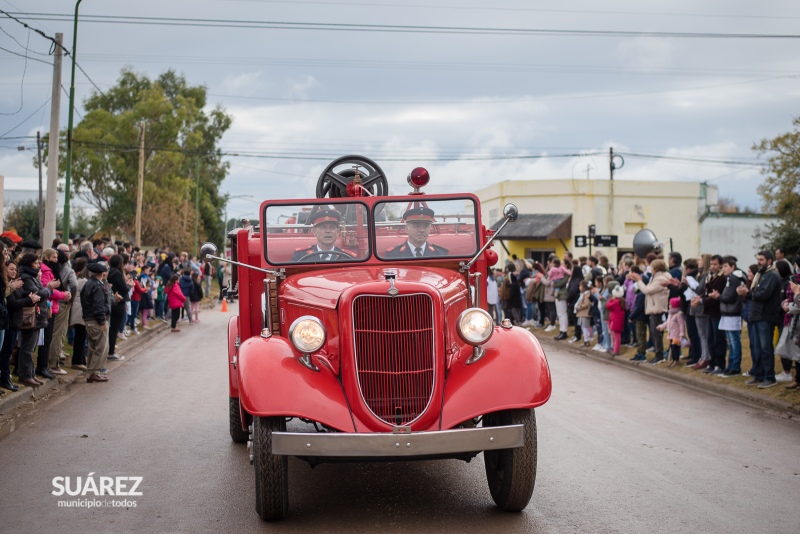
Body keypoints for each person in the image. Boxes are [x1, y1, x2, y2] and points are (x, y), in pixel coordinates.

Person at [737, 250, 782, 388]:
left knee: (765, 348)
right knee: (756, 347)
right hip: (756, 315)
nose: (758, 262)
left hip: (766, 316)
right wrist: (746, 293)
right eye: (758, 259)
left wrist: (748, 293)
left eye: (761, 260)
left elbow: (764, 294)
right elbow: (756, 294)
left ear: (769, 261)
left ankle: (769, 377)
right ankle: (758, 375)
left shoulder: (772, 275)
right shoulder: (761, 274)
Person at [8, 254, 51, 387]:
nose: (38, 265)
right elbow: (37, 294)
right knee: (27, 347)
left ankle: (30, 373)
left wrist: (44, 291)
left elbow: (40, 292)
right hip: (30, 317)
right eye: (36, 262)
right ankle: (25, 375)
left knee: (31, 347)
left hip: (38, 316)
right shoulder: (27, 277)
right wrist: (48, 290)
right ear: (29, 263)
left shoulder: (32, 276)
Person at [628, 259, 672, 364]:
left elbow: (647, 290)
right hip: (656, 307)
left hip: (657, 308)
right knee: (654, 332)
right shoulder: (658, 277)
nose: (650, 269)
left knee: (656, 332)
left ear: (656, 268)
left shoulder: (660, 278)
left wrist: (639, 281)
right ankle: (659, 353)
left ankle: (659, 354)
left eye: (651, 267)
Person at [715, 256, 746, 377]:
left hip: (733, 313)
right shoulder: (729, 278)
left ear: (733, 267)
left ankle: (735, 367)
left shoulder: (735, 278)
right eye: (722, 267)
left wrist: (718, 297)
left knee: (734, 341)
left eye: (726, 266)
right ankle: (730, 366)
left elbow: (730, 297)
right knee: (730, 342)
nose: (723, 269)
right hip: (727, 313)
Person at [82, 262, 110, 383]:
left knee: (92, 347)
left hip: (88, 319)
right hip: (96, 320)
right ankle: (94, 372)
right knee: (101, 347)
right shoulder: (98, 286)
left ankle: (90, 372)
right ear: (102, 273)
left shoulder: (88, 283)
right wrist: (102, 320)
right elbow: (98, 305)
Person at [106, 255, 129, 362]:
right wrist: (129, 285)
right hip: (118, 302)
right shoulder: (118, 273)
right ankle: (111, 352)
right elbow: (124, 289)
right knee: (114, 328)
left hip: (111, 301)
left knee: (111, 328)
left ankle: (109, 350)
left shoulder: (109, 272)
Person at [69, 258, 89, 371]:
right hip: (80, 312)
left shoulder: (80, 280)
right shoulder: (83, 281)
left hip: (79, 311)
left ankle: (81, 359)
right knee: (80, 337)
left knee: (81, 337)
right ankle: (77, 360)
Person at [606, 284, 626, 356]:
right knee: (616, 335)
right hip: (618, 320)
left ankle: (616, 349)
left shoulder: (615, 302)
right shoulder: (621, 301)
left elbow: (608, 306)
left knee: (616, 336)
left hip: (615, 321)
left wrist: (611, 299)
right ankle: (614, 348)